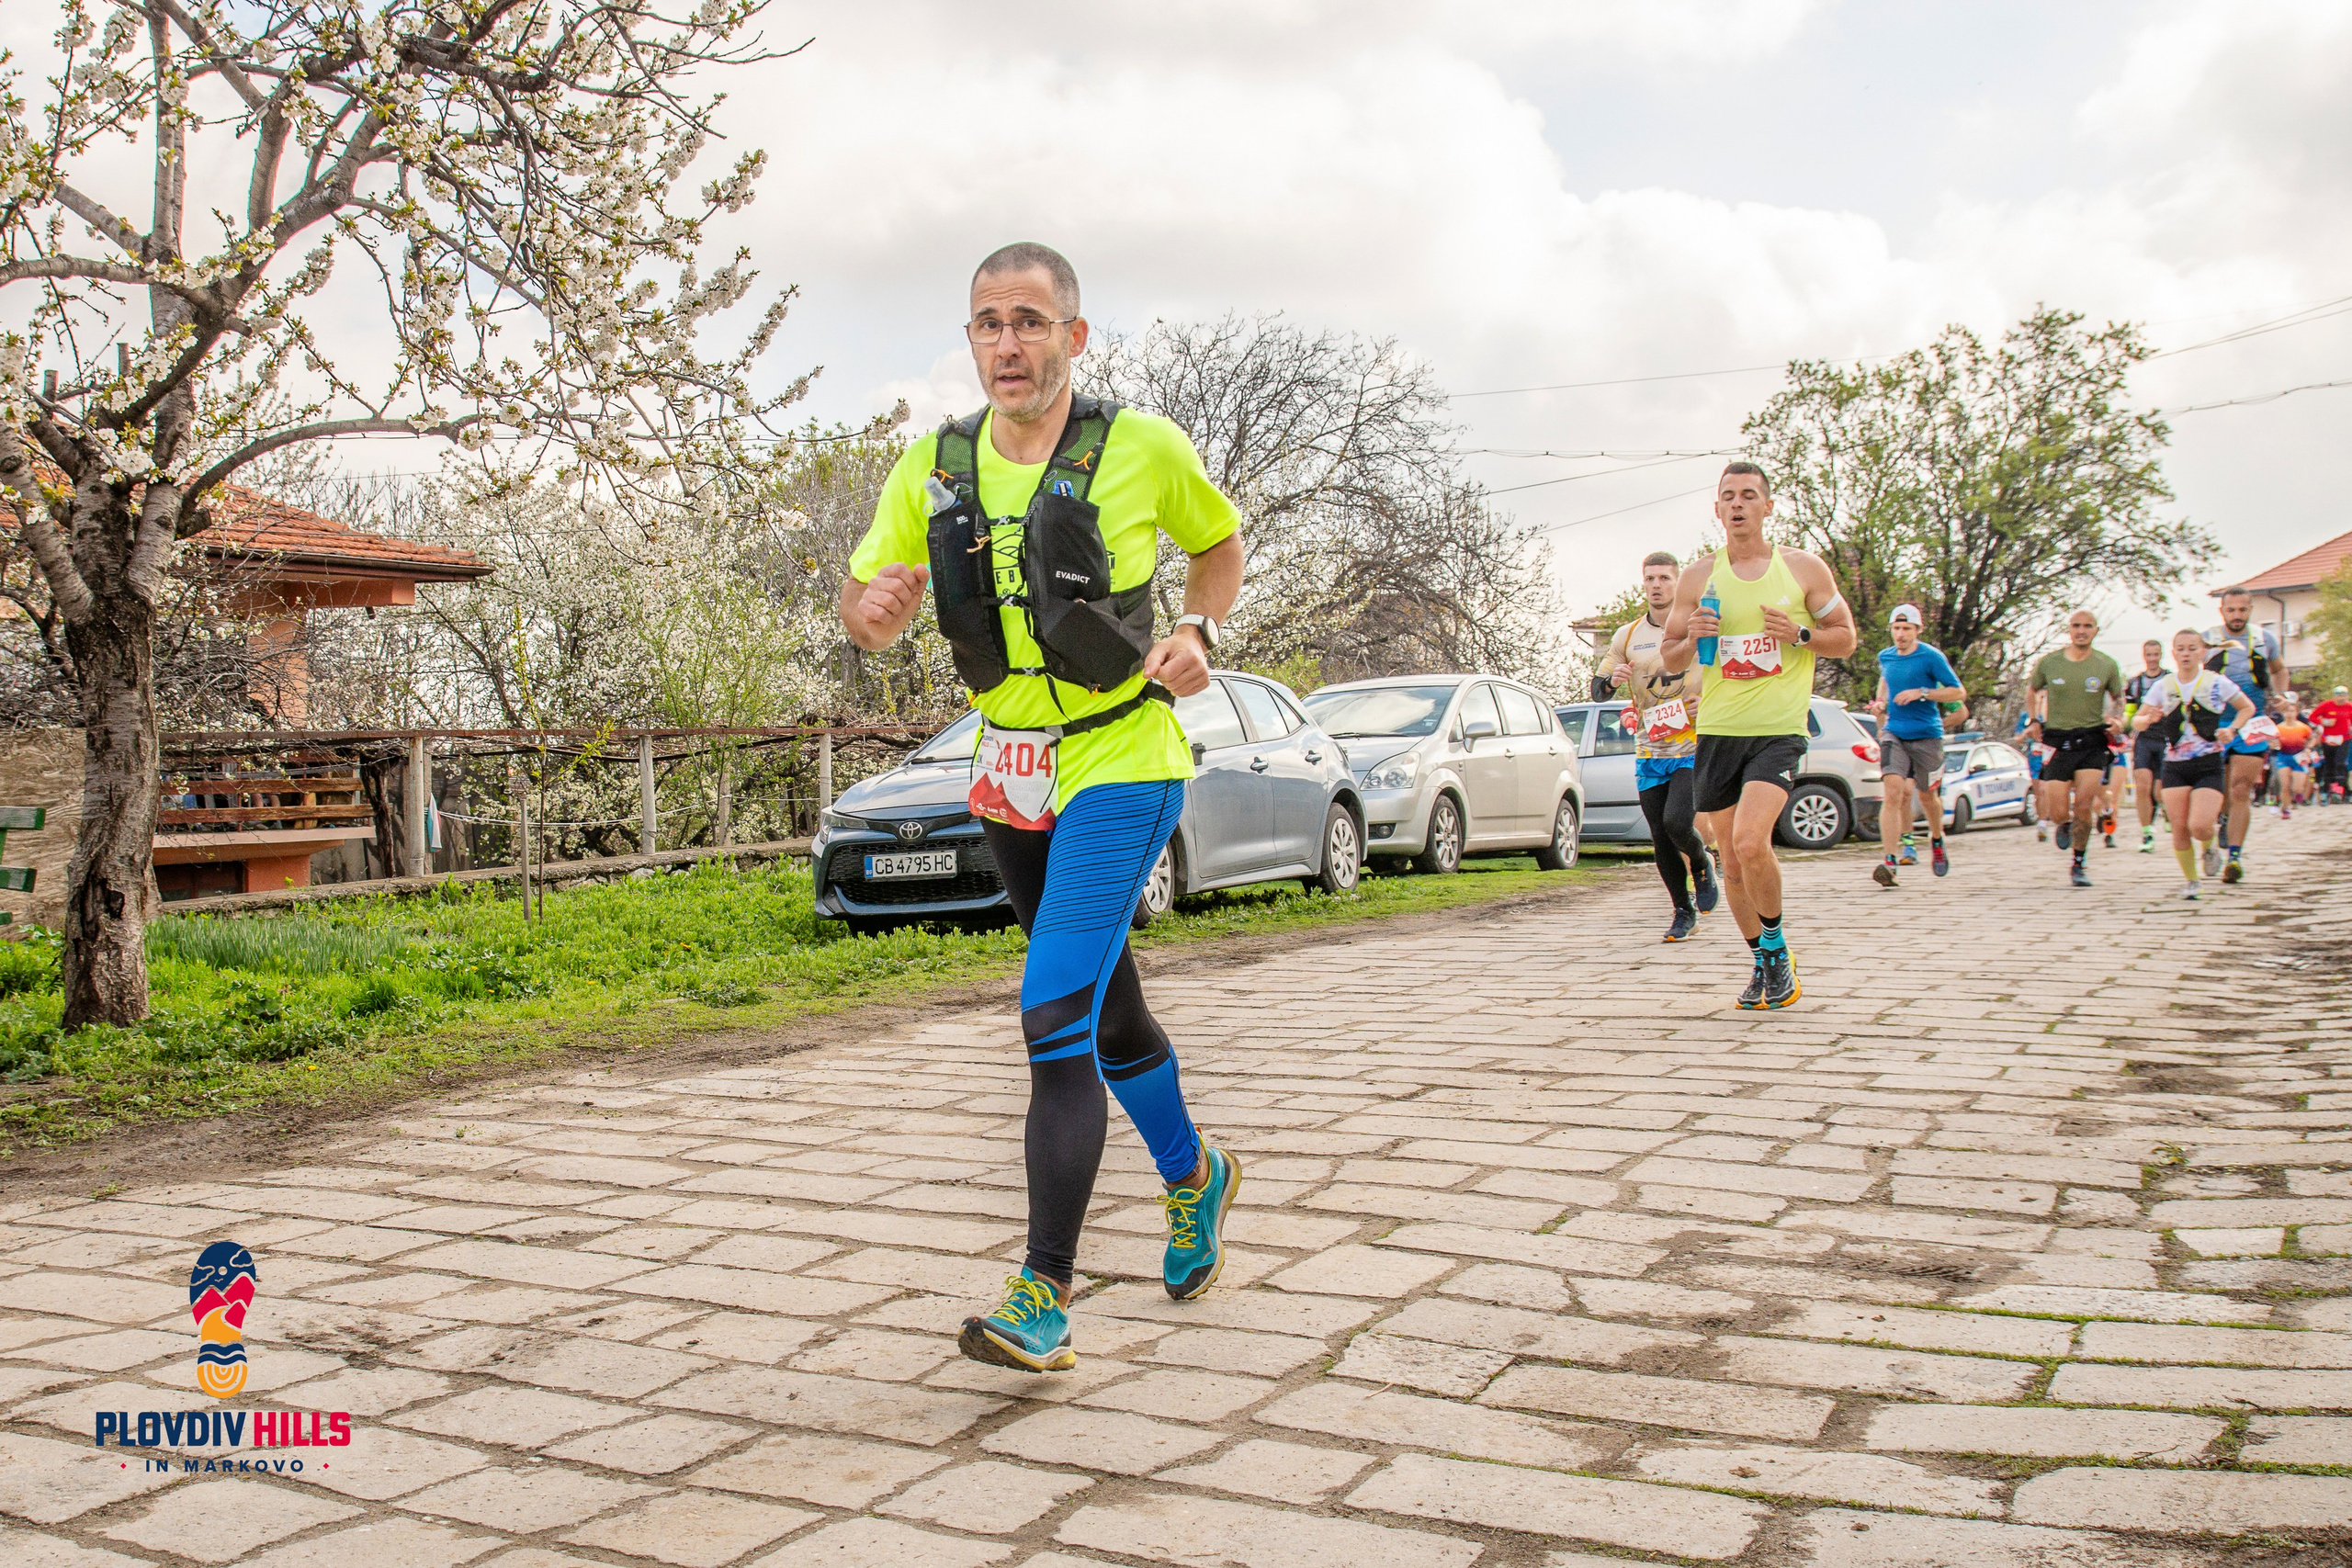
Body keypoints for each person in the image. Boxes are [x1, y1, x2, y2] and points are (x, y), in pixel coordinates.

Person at [841, 243, 1245, 1371]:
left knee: (1049, 1018)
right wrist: (869, 614)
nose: (1006, 343)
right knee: (1106, 1018)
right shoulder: (933, 462)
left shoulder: (1139, 447)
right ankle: (1194, 1178)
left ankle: (1042, 1294)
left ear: (1074, 336)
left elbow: (1217, 545)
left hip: (1123, 756)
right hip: (1008, 770)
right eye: (986, 322)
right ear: (968, 340)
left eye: (1028, 320)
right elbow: (867, 602)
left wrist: (1199, 632)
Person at [1661, 462, 1860, 1008]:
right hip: (1720, 730)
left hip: (1778, 730)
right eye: (1729, 496)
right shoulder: (1699, 578)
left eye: (1750, 495)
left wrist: (1799, 634)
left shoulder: (1801, 569)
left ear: (1768, 506)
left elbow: (1845, 639)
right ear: (1718, 510)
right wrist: (1692, 637)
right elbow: (1671, 655)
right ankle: (1766, 963)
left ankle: (1775, 946)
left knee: (1752, 842)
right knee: (1730, 855)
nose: (1739, 504)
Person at [1608, 551, 1719, 940]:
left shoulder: (1701, 626)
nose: (1657, 585)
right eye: (1650, 579)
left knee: (1677, 822)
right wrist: (1611, 680)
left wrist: (1707, 702)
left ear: (1679, 583)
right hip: (1650, 747)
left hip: (1694, 744)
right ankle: (1682, 910)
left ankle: (1702, 859)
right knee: (1658, 832)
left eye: (1665, 579)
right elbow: (1599, 687)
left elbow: (1727, 674)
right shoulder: (1628, 635)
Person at [2133, 628, 2258, 900]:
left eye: (2192, 648)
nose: (2186, 653)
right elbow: (2136, 720)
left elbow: (2247, 707)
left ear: (2203, 652)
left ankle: (2210, 845)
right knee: (2179, 827)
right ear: (2174, 653)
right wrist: (2148, 720)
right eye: (2180, 648)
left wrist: (2233, 729)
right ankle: (2192, 881)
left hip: (2208, 762)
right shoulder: (2163, 686)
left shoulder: (2216, 682)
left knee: (2199, 826)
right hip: (2175, 764)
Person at [2025, 611, 2126, 888]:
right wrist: (2034, 720)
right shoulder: (2050, 662)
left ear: (2096, 630)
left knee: (2083, 803)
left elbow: (2119, 698)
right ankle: (2064, 824)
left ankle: (2078, 863)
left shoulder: (2106, 664)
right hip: (2058, 740)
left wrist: (2118, 719)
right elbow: (2031, 690)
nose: (2081, 631)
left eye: (2088, 626)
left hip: (2092, 739)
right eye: (2076, 626)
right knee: (2058, 809)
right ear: (2069, 629)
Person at [1869, 604, 1963, 887]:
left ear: (1918, 630)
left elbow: (1958, 691)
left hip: (1926, 735)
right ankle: (1890, 861)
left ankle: (1936, 839)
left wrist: (1923, 692)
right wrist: (1879, 705)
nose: (1901, 634)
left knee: (1926, 797)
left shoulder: (1931, 657)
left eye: (1906, 629)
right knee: (1893, 792)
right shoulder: (1886, 656)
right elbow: (1884, 685)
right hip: (1894, 733)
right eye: (1896, 629)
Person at [2206, 587, 2288, 882]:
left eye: (2242, 610)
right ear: (2222, 611)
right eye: (2231, 610)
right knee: (2221, 792)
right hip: (2215, 723)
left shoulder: (2265, 639)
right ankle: (2224, 820)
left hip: (2253, 721)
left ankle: (2235, 858)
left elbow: (2279, 669)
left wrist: (2280, 693)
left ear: (2251, 609)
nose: (2237, 616)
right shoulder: (2208, 639)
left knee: (2242, 789)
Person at [2123, 639, 2168, 852]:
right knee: (2142, 785)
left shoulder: (2170, 679)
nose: (2152, 659)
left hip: (2165, 738)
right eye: (2149, 655)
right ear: (2144, 656)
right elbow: (2130, 713)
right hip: (2144, 738)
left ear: (2161, 655)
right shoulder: (2134, 683)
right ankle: (2147, 833)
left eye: (2156, 654)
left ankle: (2162, 810)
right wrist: (2128, 729)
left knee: (2159, 790)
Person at [2273, 695, 2313, 817]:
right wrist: (2273, 744)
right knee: (2285, 786)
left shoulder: (2303, 727)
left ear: (2296, 712)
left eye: (2292, 711)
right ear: (2283, 713)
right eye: (2286, 711)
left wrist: (2308, 749)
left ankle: (2298, 796)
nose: (2289, 714)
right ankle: (2285, 809)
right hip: (2283, 757)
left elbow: (2312, 739)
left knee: (2297, 788)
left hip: (2299, 757)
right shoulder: (2278, 728)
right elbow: (2272, 742)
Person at [2311, 684, 2352, 804]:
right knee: (2329, 764)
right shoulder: (2326, 705)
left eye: (2344, 696)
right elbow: (2312, 717)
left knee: (2340, 763)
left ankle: (2339, 790)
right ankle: (2326, 791)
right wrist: (2324, 721)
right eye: (2339, 696)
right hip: (2328, 739)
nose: (2341, 698)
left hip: (2344, 739)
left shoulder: (2349, 707)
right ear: (2334, 696)